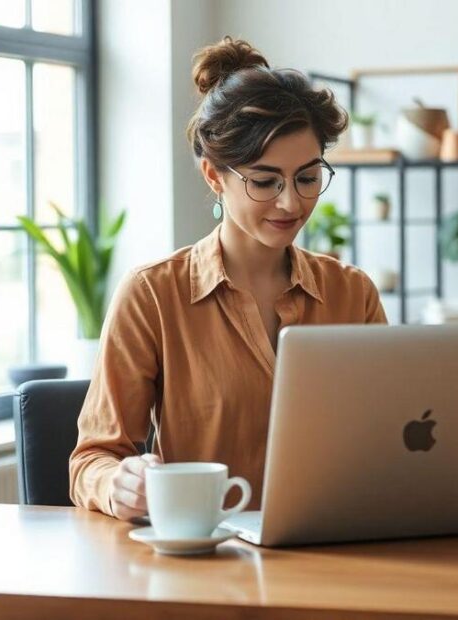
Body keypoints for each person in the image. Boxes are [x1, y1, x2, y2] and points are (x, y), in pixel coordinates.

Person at [69, 36, 388, 521]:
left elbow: (389, 437)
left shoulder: (353, 293)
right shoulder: (153, 295)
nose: (291, 203)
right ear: (214, 177)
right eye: (264, 181)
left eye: (307, 177)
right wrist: (119, 483)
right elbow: (90, 461)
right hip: (208, 560)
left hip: (335, 550)